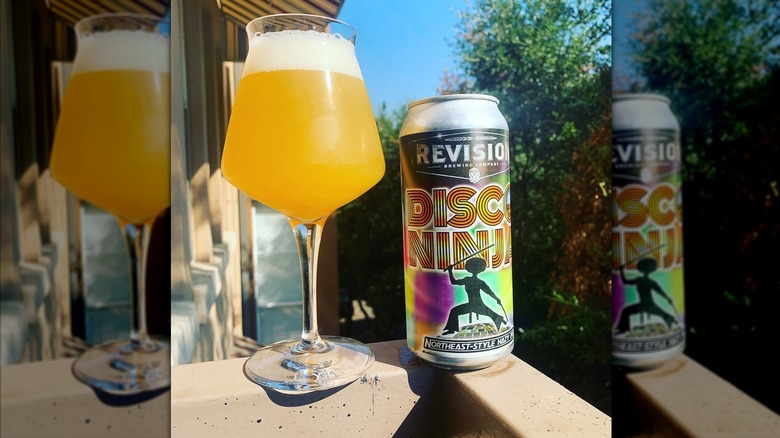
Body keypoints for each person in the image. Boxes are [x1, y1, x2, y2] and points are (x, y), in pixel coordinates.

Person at [441, 257, 506, 335]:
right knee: (490, 313)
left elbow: (453, 282)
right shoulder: (478, 281)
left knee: (454, 311)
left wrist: (450, 271)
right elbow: (489, 292)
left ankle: (452, 329)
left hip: (474, 305)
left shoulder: (469, 280)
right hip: (476, 305)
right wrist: (497, 299)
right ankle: (500, 319)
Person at [614, 257, 677, 334]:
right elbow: (660, 292)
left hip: (645, 304)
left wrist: (621, 271)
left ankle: (624, 329)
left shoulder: (640, 280)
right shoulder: (649, 281)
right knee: (660, 312)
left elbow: (625, 281)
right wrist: (668, 299)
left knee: (626, 311)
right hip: (647, 304)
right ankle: (670, 318)